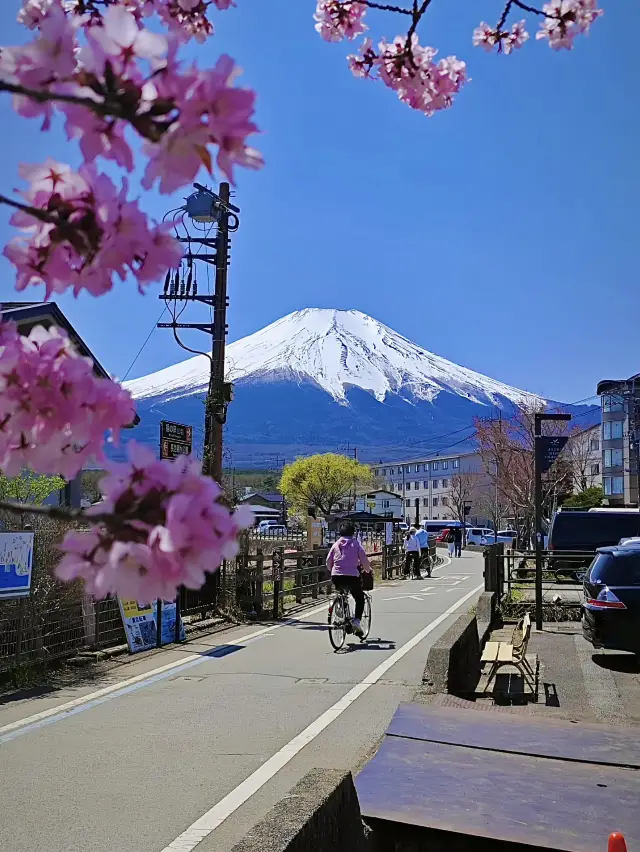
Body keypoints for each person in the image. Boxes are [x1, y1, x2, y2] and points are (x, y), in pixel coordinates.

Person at [326, 521, 372, 637]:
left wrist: (332, 570)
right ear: (353, 533)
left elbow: (328, 562)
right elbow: (364, 561)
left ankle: (341, 612)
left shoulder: (335, 545)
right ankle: (356, 621)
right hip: (352, 577)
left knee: (341, 593)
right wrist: (368, 570)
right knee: (359, 598)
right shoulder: (356, 544)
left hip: (336, 576)